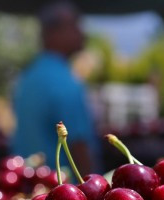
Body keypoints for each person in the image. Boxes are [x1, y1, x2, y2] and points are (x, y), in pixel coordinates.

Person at [12, 2, 99, 174]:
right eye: (75, 25)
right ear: (53, 33)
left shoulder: (27, 78)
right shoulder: (64, 82)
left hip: (31, 188)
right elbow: (79, 146)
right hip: (64, 194)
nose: (82, 33)